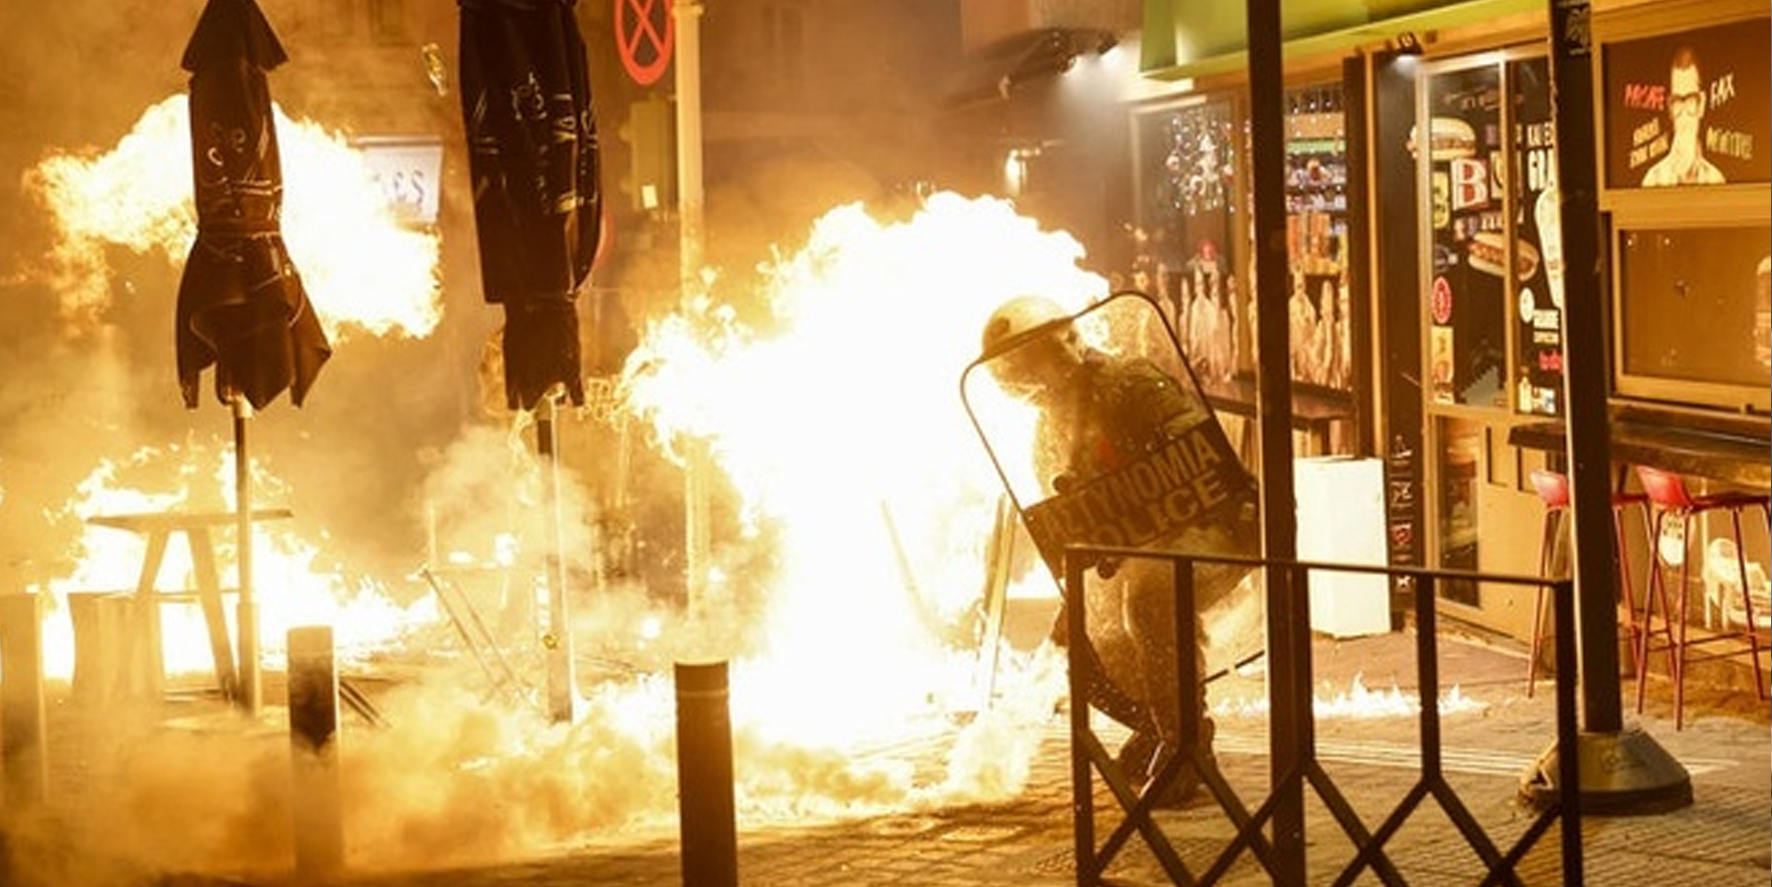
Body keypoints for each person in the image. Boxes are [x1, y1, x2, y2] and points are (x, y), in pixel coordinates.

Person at [980, 294, 1259, 806]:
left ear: (1065, 342)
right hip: (1138, 550)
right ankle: (1160, 723)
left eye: (1034, 361)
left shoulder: (1130, 383)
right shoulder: (1047, 433)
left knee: (1150, 600)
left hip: (1218, 526)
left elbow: (1202, 459)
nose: (1033, 378)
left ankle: (1185, 746)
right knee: (1086, 641)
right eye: (1022, 370)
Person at [1640, 47, 1725, 187]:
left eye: (1691, 100)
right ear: (1670, 108)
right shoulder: (1653, 180)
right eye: (1677, 101)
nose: (1684, 114)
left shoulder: (1716, 180)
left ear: (1702, 104)